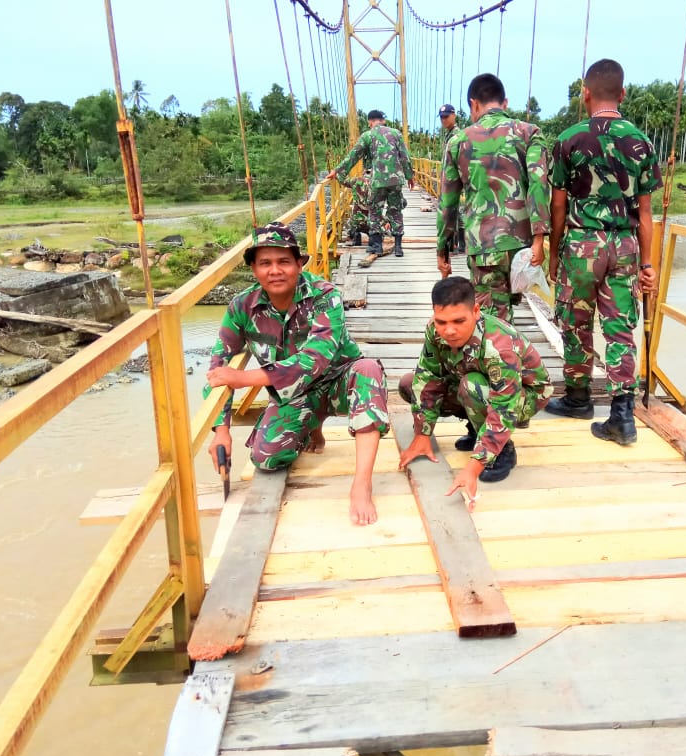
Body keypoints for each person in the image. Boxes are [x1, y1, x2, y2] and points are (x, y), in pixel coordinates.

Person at [204, 222, 390, 525]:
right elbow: (218, 367)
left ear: (298, 264)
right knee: (267, 458)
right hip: (296, 395)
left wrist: (245, 379)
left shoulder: (323, 295)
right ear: (253, 269)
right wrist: (221, 429)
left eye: (283, 262)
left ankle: (362, 484)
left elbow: (314, 359)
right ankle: (312, 423)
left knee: (369, 371)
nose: (274, 270)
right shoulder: (243, 307)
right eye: (265, 263)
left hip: (340, 379)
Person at [544, 58, 662, 446]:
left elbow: (557, 205)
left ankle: (578, 397)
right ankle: (622, 416)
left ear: (586, 93)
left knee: (576, 320)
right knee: (618, 327)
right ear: (623, 93)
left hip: (582, 243)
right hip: (625, 245)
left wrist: (555, 253)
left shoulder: (570, 138)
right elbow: (645, 213)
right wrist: (648, 264)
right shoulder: (641, 141)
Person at [397, 277, 553, 505]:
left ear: (476, 311)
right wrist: (423, 434)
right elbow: (428, 378)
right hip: (473, 382)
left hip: (524, 396)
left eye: (459, 321)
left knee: (472, 386)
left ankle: (502, 449)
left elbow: (503, 408)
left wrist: (474, 465)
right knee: (409, 383)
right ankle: (475, 428)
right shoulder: (434, 330)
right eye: (441, 321)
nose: (449, 330)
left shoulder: (498, 346)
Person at [436, 73, 550, 324]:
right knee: (508, 315)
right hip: (523, 247)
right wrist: (539, 239)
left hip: (484, 248)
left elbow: (447, 204)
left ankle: (501, 358)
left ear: (474, 104)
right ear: (505, 103)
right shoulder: (529, 132)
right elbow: (538, 186)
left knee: (493, 323)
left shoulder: (458, 141)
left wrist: (442, 249)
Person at [327, 109, 413, 259]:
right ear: (383, 120)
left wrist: (337, 171)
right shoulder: (396, 134)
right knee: (395, 210)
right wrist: (410, 177)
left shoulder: (367, 135)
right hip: (395, 181)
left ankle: (377, 246)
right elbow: (405, 158)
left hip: (377, 180)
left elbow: (353, 156)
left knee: (374, 211)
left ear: (370, 122)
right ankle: (398, 247)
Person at [437, 103, 465, 254]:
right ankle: (460, 245)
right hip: (451, 178)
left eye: (446, 117)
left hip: (455, 179)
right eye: (441, 117)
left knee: (450, 211)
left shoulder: (457, 135)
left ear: (454, 115)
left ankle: (452, 246)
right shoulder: (448, 134)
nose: (444, 120)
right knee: (457, 212)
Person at [339, 170, 371, 246]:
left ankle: (356, 237)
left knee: (348, 225)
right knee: (376, 227)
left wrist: (337, 172)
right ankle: (374, 238)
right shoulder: (378, 183)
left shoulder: (356, 181)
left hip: (357, 220)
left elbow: (343, 180)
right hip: (371, 220)